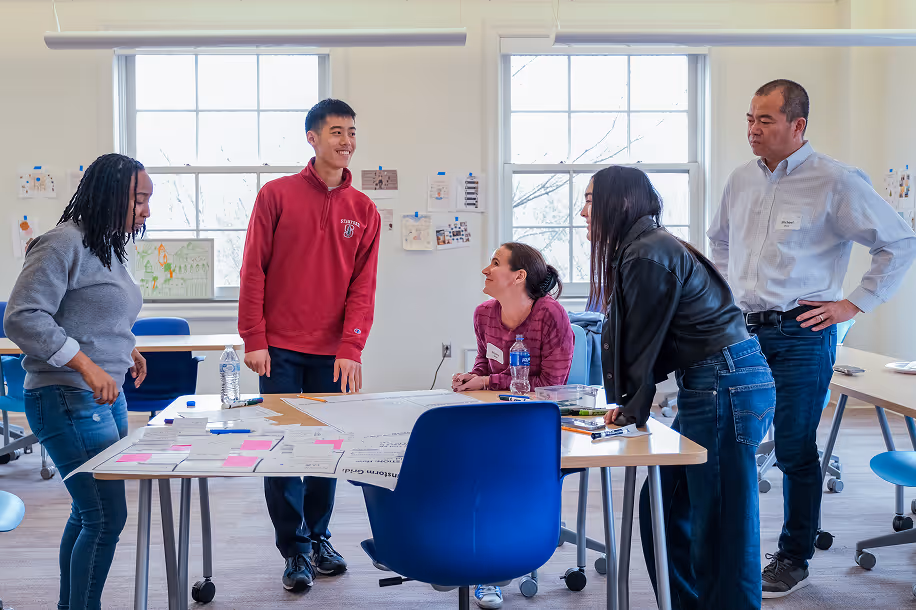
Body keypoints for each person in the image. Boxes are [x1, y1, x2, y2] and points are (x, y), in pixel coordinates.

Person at [708, 79, 916, 598]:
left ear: (798, 125)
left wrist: (853, 304)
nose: (753, 130)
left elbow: (898, 242)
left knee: (796, 448)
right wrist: (724, 299)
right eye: (750, 119)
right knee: (728, 442)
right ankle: (729, 544)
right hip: (743, 330)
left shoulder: (837, 181)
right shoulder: (740, 179)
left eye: (766, 120)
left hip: (803, 333)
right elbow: (720, 243)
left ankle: (794, 556)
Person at [583, 166, 775, 610]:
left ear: (620, 202)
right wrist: (629, 404)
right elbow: (647, 342)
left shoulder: (648, 254)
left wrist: (630, 407)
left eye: (591, 200)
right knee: (664, 508)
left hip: (724, 381)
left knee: (723, 519)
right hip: (709, 381)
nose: (583, 211)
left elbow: (640, 345)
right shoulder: (642, 249)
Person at [238, 98, 381, 592]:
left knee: (327, 450)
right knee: (283, 452)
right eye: (336, 131)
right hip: (277, 349)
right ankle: (294, 550)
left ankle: (319, 539)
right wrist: (253, 338)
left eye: (352, 131)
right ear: (312, 138)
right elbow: (253, 268)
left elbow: (364, 286)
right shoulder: (276, 195)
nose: (346, 141)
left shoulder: (364, 209)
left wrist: (352, 346)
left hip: (334, 353)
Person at [4, 153, 151, 610]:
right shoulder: (61, 243)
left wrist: (124, 349)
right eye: (139, 200)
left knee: (89, 513)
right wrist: (87, 365)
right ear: (109, 196)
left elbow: (92, 314)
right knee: (106, 517)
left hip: (105, 396)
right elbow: (23, 318)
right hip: (67, 397)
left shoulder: (106, 247)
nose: (146, 211)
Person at [451, 241, 573, 610]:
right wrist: (469, 378)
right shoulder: (484, 314)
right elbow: (484, 368)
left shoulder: (551, 315)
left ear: (518, 276)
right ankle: (474, 562)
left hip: (540, 422)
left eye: (495, 263)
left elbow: (553, 385)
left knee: (492, 475)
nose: (485, 270)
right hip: (496, 417)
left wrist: (489, 383)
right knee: (466, 465)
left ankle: (491, 570)